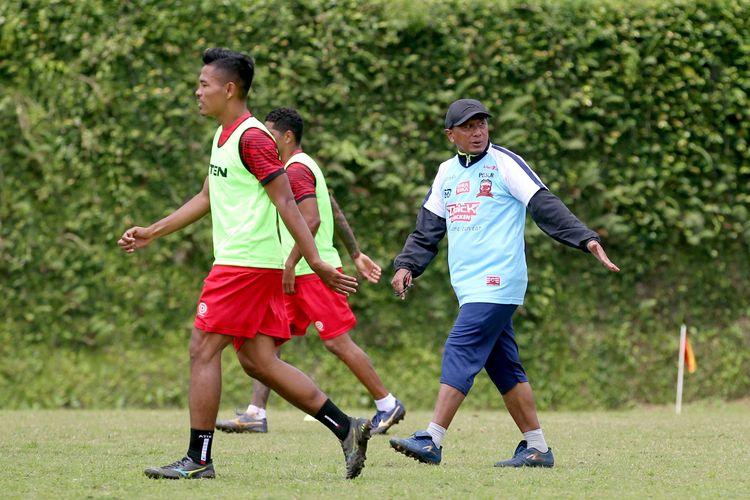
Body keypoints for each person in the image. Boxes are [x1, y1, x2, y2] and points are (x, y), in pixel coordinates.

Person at [117, 48, 372, 480]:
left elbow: (286, 199)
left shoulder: (252, 138)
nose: (198, 92)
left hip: (244, 265)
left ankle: (198, 460)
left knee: (202, 350)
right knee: (259, 361)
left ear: (229, 89)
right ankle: (347, 428)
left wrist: (314, 259)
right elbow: (206, 197)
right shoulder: (224, 136)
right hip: (250, 265)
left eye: (204, 84)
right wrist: (152, 231)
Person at [388, 98, 620, 468]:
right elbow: (427, 229)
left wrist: (585, 238)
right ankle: (537, 448)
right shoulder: (446, 173)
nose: (477, 131)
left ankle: (432, 439)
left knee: (460, 347)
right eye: (467, 127)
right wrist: (407, 265)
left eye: (481, 124)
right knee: (504, 367)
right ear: (451, 135)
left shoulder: (504, 163)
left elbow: (545, 204)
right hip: (468, 287)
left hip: (499, 281)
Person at [215, 107, 406, 436]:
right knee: (267, 344)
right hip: (294, 272)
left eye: (271, 135)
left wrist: (290, 262)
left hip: (310, 272)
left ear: (287, 137)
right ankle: (256, 412)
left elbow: (313, 218)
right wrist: (356, 252)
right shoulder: (297, 168)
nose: (265, 141)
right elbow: (330, 203)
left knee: (337, 343)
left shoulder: (296, 169)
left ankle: (387, 404)